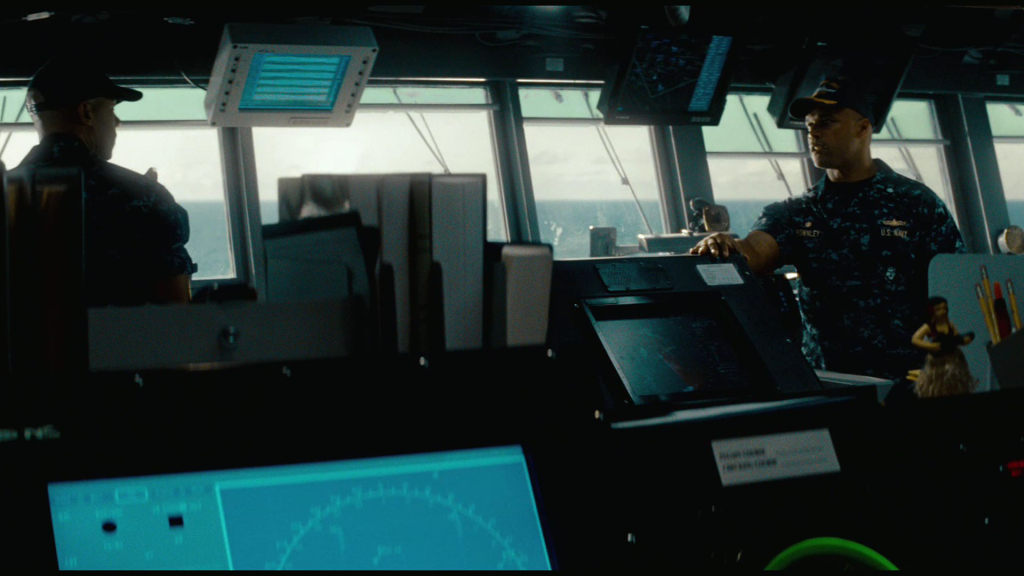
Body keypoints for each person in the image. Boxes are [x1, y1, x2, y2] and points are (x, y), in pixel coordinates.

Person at [690, 78, 965, 380]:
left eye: (827, 122)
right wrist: (726, 244)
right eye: (809, 126)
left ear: (863, 128)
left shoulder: (916, 203)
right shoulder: (797, 211)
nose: (814, 134)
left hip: (909, 379)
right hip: (832, 380)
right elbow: (755, 251)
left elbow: (957, 287)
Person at [9, 58, 196, 306]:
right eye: (111, 110)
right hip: (126, 332)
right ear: (86, 113)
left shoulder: (6, 192)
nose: (117, 122)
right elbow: (176, 309)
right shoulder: (145, 196)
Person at [909, 296, 976, 398]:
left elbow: (956, 337)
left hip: (953, 361)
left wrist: (964, 340)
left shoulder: (949, 325)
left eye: (945, 308)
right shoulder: (929, 327)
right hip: (937, 363)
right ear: (931, 312)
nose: (943, 312)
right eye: (938, 309)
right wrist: (930, 346)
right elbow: (915, 339)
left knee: (954, 384)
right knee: (937, 387)